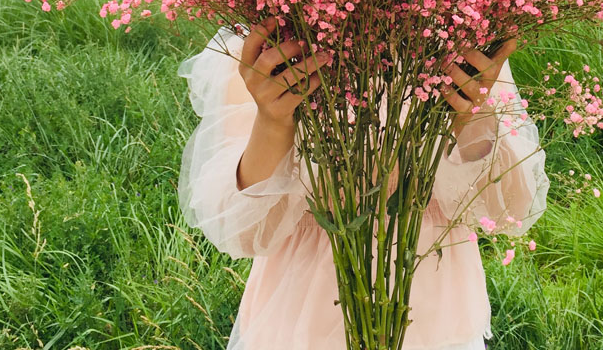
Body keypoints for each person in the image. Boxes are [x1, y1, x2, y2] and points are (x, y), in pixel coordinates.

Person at [178, 17, 549, 350]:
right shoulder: (271, 45)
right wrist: (274, 125)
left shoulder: (463, 33)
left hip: (438, 318)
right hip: (301, 322)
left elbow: (508, 212)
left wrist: (475, 116)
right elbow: (246, 234)